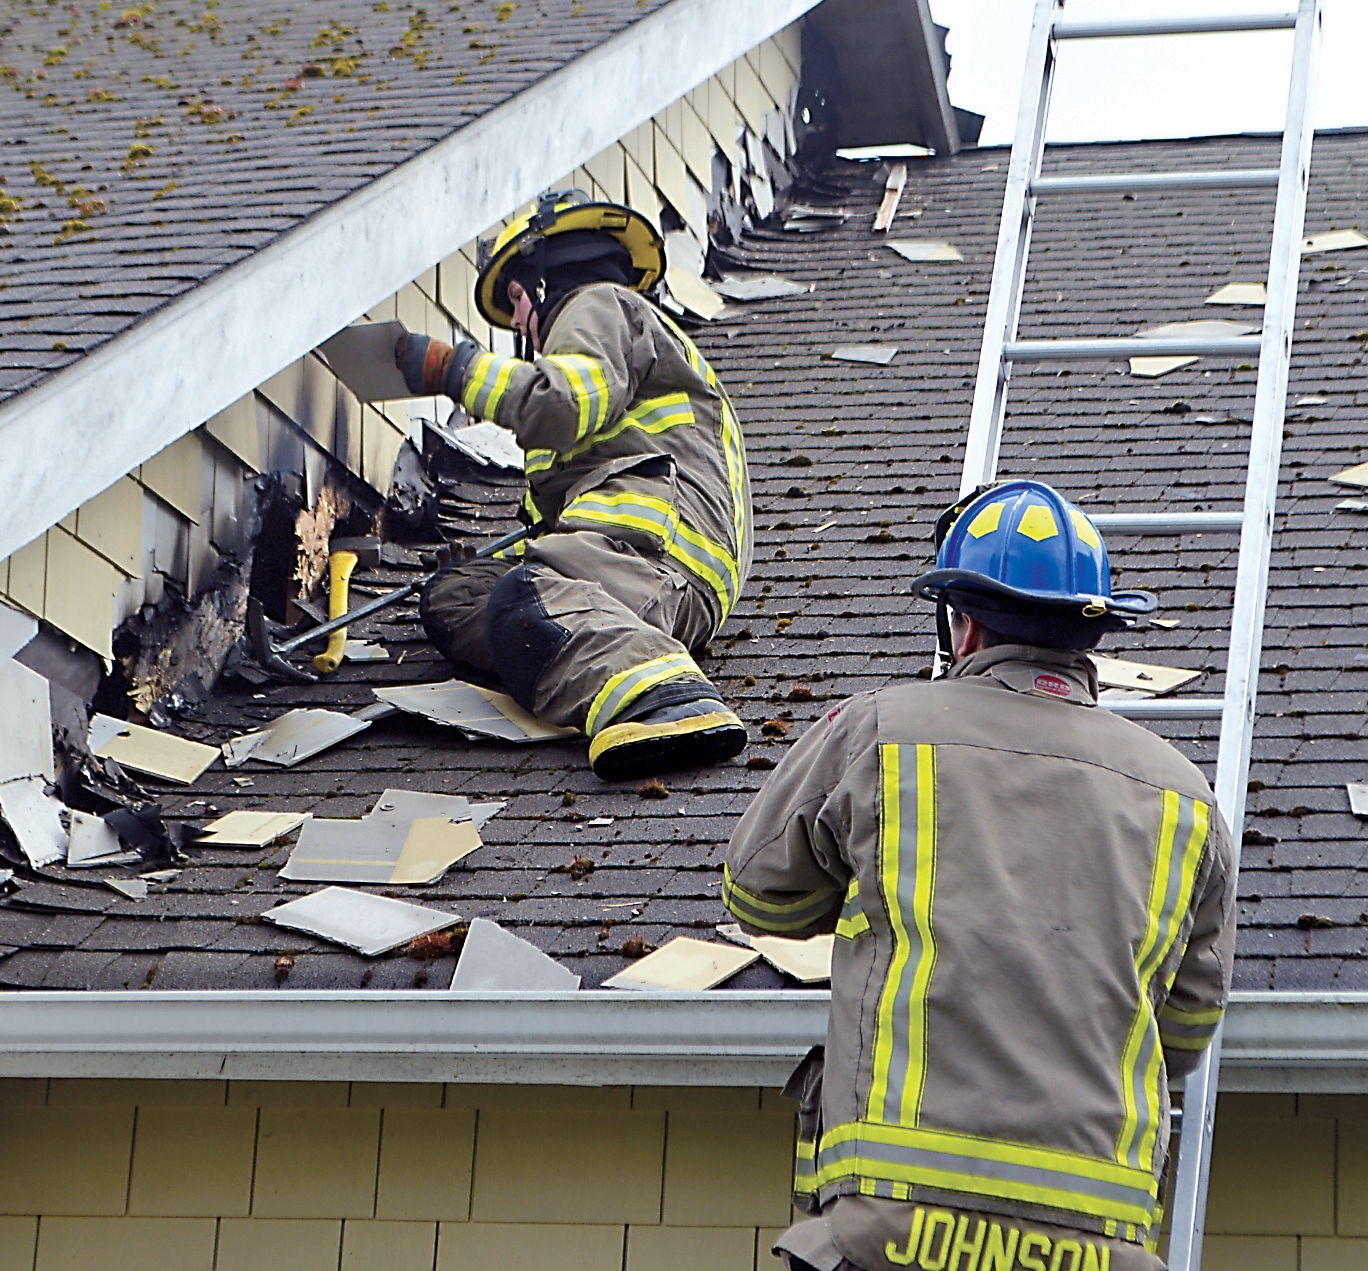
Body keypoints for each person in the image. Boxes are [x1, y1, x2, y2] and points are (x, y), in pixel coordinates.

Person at [723, 479, 1233, 1271]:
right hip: (1092, 1249)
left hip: (887, 1230)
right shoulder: (1185, 797)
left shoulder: (883, 730)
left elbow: (757, 891)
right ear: (1089, 632)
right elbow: (1188, 1031)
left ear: (962, 625)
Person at [397, 190, 752, 780]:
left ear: (543, 280)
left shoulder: (598, 305)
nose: (516, 322)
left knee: (525, 597)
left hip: (655, 557)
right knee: (459, 598)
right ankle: (612, 663)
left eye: (515, 300)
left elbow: (557, 404)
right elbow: (559, 523)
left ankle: (667, 701)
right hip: (650, 570)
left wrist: (449, 369)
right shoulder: (619, 329)